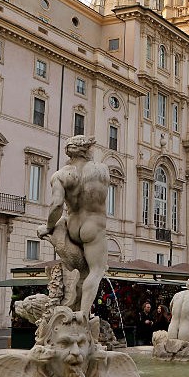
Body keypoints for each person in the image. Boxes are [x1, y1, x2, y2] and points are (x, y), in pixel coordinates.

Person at [37, 135, 109, 318]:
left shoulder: (61, 175)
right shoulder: (102, 171)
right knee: (96, 271)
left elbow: (56, 205)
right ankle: (82, 317)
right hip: (93, 226)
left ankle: (72, 304)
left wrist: (48, 227)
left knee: (83, 273)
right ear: (87, 150)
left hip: (71, 224)